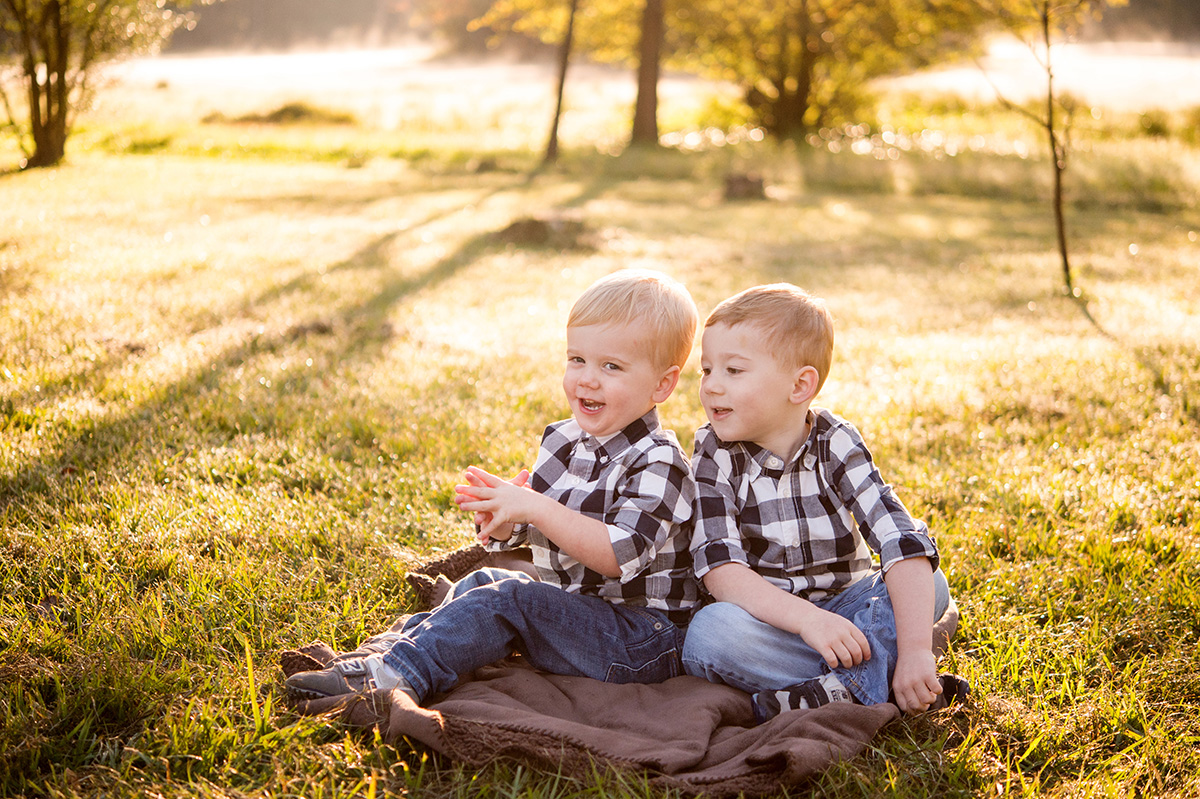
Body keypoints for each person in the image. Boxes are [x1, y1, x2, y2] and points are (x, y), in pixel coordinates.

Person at [285, 269, 701, 705]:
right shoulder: (564, 440)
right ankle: (382, 655)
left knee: (510, 599)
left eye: (611, 366)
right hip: (581, 610)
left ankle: (388, 680)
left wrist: (536, 507)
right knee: (484, 579)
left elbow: (617, 556)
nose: (587, 379)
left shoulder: (660, 461)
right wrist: (508, 523)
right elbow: (547, 531)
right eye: (577, 359)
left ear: (663, 384)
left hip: (643, 639)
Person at [680, 283, 966, 722]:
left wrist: (914, 652)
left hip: (851, 608)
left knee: (931, 582)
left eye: (733, 371)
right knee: (710, 636)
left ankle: (844, 686)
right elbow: (721, 572)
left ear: (800, 385)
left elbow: (899, 539)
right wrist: (809, 622)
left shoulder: (835, 442)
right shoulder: (714, 452)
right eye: (707, 370)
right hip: (774, 624)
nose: (712, 387)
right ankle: (875, 682)